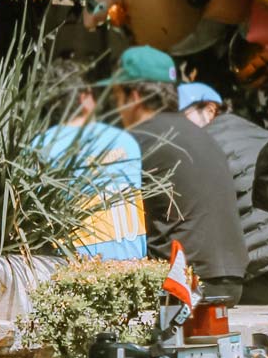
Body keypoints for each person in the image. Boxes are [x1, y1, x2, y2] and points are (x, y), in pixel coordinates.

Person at [104, 46, 248, 305]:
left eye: (116, 98)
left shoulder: (139, 141)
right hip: (231, 279)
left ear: (134, 96)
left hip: (184, 284)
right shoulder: (202, 136)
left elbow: (110, 219)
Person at [179, 81, 268, 305]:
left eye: (182, 116)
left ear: (210, 109)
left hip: (263, 267)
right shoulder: (259, 133)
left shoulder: (201, 146)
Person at [31, 60, 147, 262]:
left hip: (75, 274)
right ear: (85, 98)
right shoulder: (125, 141)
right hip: (134, 270)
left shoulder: (40, 147)